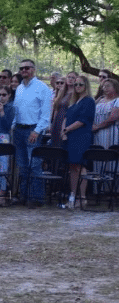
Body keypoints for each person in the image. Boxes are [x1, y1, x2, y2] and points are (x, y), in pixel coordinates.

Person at [13, 59, 52, 207]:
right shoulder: (19, 88)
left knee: (34, 165)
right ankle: (24, 195)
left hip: (33, 129)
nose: (24, 71)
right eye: (21, 68)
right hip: (19, 129)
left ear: (33, 69)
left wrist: (37, 131)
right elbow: (16, 110)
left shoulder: (42, 87)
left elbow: (46, 114)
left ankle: (36, 198)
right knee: (22, 165)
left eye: (27, 68)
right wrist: (13, 126)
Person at [61, 75, 95, 208]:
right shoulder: (74, 101)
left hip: (81, 137)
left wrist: (67, 129)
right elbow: (66, 116)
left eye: (80, 84)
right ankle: (73, 196)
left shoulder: (89, 101)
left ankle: (82, 197)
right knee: (72, 167)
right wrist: (63, 131)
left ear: (86, 85)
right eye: (75, 84)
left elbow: (83, 121)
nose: (77, 87)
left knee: (80, 166)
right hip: (70, 137)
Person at [92, 78, 119, 149]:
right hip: (97, 134)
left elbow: (113, 117)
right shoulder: (100, 100)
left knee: (109, 155)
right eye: (103, 86)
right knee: (98, 154)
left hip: (111, 134)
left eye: (108, 86)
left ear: (115, 87)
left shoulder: (117, 100)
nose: (105, 88)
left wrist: (98, 126)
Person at [50, 71, 75, 148]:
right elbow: (56, 108)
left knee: (63, 146)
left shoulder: (75, 94)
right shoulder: (62, 92)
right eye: (69, 77)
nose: (70, 79)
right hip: (57, 121)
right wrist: (53, 123)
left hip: (67, 122)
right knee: (55, 146)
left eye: (73, 77)